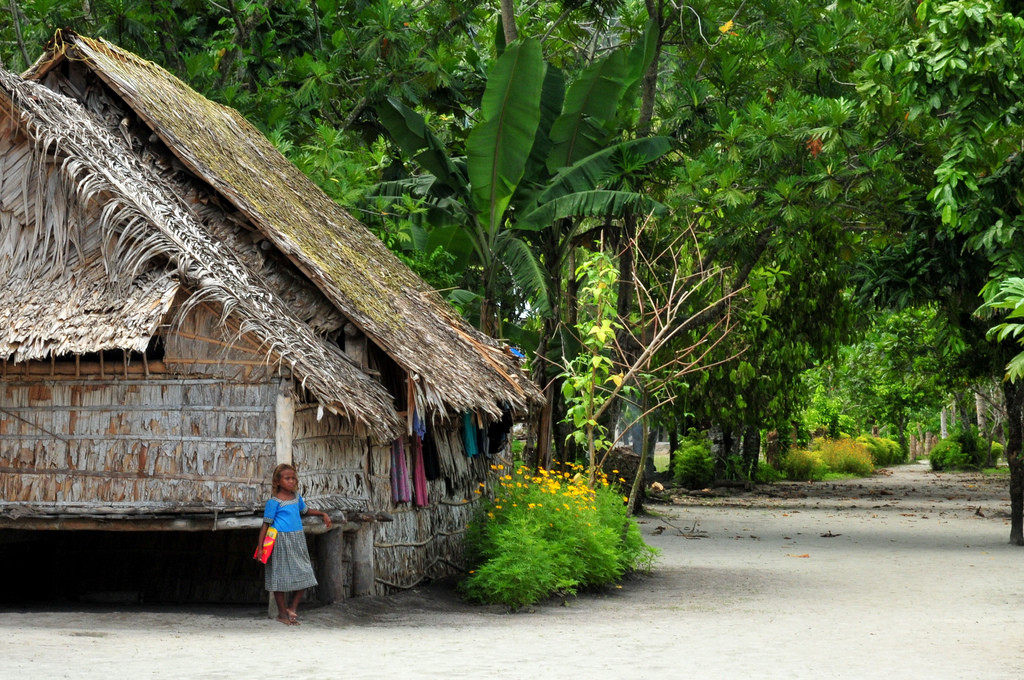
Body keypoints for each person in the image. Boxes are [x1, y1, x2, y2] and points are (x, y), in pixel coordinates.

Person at [255, 463, 331, 625]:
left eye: (293, 478)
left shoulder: (297, 498)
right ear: (277, 481)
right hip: (279, 541)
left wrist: (322, 514)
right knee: (278, 577)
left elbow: (305, 511)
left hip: (297, 539)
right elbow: (265, 525)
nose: (291, 481)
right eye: (287, 478)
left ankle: (293, 608)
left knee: (306, 573)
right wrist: (260, 548)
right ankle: (282, 614)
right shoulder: (274, 502)